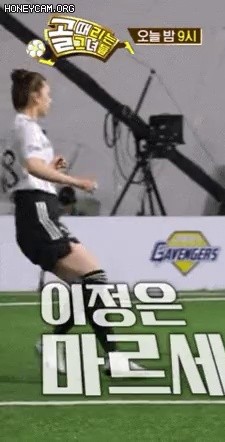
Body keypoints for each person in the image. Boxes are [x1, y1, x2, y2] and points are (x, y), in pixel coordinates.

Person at [6, 69, 142, 374]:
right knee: (95, 277)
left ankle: (64, 347)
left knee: (88, 285)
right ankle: (112, 359)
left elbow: (28, 172)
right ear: (35, 96)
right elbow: (32, 168)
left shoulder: (21, 129)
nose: (50, 100)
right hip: (38, 213)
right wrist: (76, 181)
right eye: (47, 94)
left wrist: (51, 169)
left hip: (36, 213)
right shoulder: (26, 128)